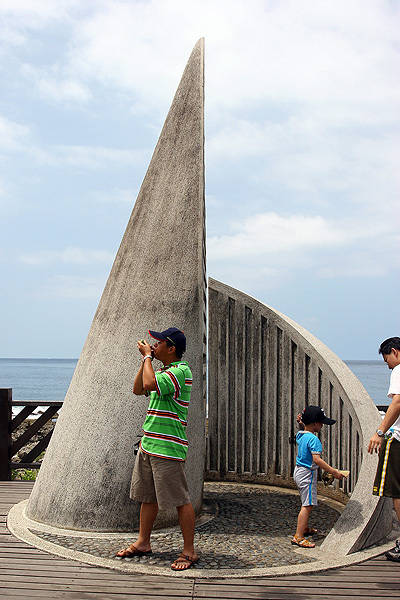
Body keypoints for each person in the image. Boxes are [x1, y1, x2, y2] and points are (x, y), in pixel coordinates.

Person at [116, 327, 199, 571]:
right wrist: (146, 361)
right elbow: (138, 388)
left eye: (159, 342)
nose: (154, 344)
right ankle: (143, 542)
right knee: (148, 497)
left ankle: (189, 551)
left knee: (181, 500)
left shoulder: (180, 371)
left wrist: (146, 357)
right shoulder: (163, 371)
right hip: (149, 444)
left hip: (168, 448)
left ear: (171, 349)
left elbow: (149, 383)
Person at [292, 405, 344, 548]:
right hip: (307, 474)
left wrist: (301, 424)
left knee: (306, 500)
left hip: (298, 471)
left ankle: (305, 527)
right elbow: (317, 460)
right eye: (321, 422)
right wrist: (334, 471)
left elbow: (303, 429)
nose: (322, 425)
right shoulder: (314, 440)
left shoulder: (301, 434)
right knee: (307, 505)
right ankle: (299, 536)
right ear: (315, 423)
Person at [368, 336, 400, 563]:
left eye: (386, 357)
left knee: (397, 490)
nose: (386, 363)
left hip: (398, 439)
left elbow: (397, 402)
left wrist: (379, 432)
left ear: (395, 352)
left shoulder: (399, 370)